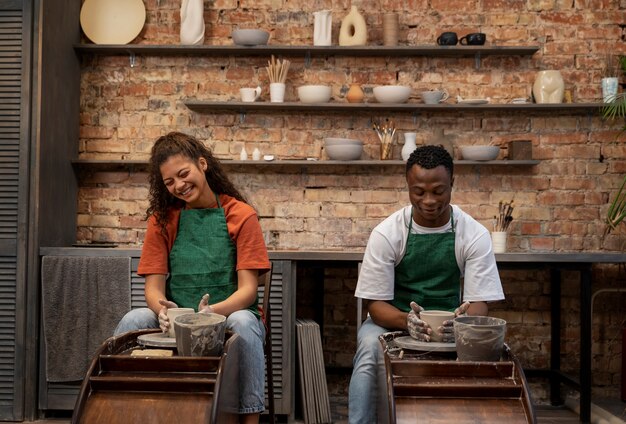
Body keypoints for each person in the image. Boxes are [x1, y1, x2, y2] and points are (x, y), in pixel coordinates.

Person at [114, 132, 270, 424]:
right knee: (134, 320)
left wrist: (210, 314)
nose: (179, 186)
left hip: (228, 315)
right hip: (178, 320)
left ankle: (250, 418)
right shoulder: (163, 220)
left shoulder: (241, 215)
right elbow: (153, 288)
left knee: (246, 322)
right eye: (169, 182)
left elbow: (248, 291)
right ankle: (123, 410)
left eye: (183, 174)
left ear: (202, 164)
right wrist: (162, 310)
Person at [348, 144, 505, 424]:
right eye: (419, 192)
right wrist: (407, 322)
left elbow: (481, 302)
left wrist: (462, 324)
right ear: (408, 186)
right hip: (393, 320)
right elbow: (375, 306)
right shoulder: (387, 234)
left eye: (438, 191)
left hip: (451, 324)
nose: (429, 200)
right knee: (369, 348)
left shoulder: (473, 234)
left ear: (452, 184)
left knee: (489, 348)